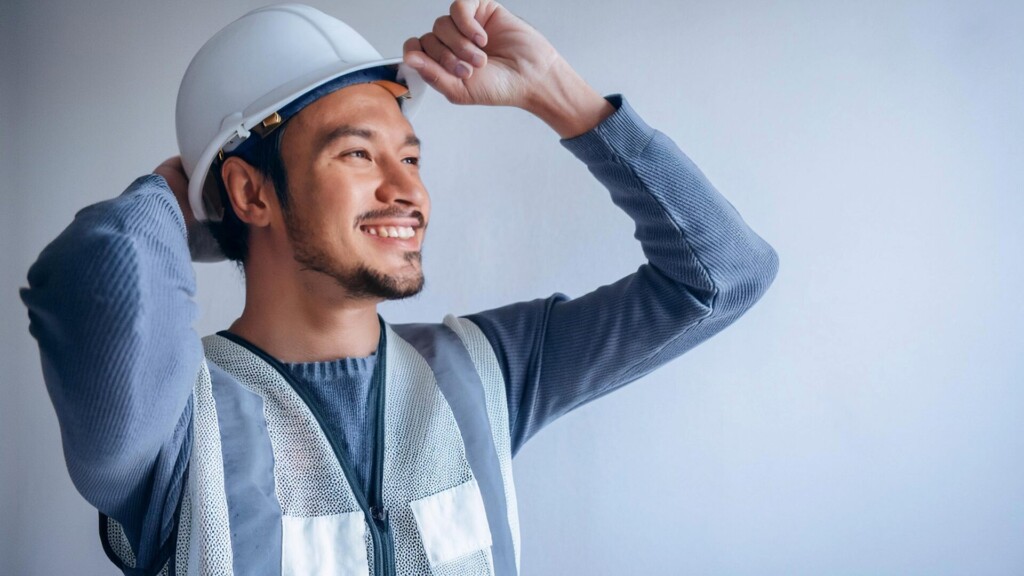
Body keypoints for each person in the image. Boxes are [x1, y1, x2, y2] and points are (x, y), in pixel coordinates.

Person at [21, 1, 778, 574]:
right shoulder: (171, 427)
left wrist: (559, 93)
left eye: (410, 158)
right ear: (251, 193)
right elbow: (92, 285)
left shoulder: (486, 372)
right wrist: (178, 192)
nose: (407, 191)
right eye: (358, 154)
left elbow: (724, 276)